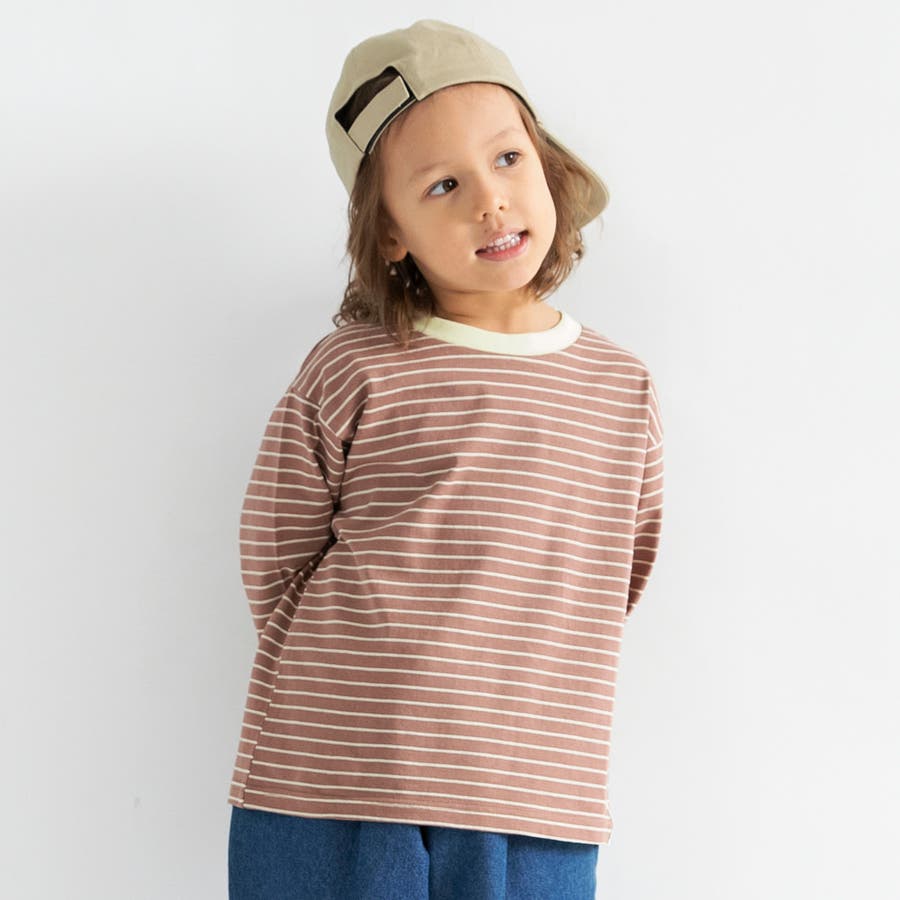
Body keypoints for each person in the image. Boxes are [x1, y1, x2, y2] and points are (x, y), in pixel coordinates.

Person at [226, 18, 664, 900]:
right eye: (443, 184)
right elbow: (276, 556)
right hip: (336, 780)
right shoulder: (354, 367)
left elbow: (619, 571)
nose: (490, 202)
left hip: (534, 791)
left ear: (548, 167)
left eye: (507, 159)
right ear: (390, 233)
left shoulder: (620, 387)